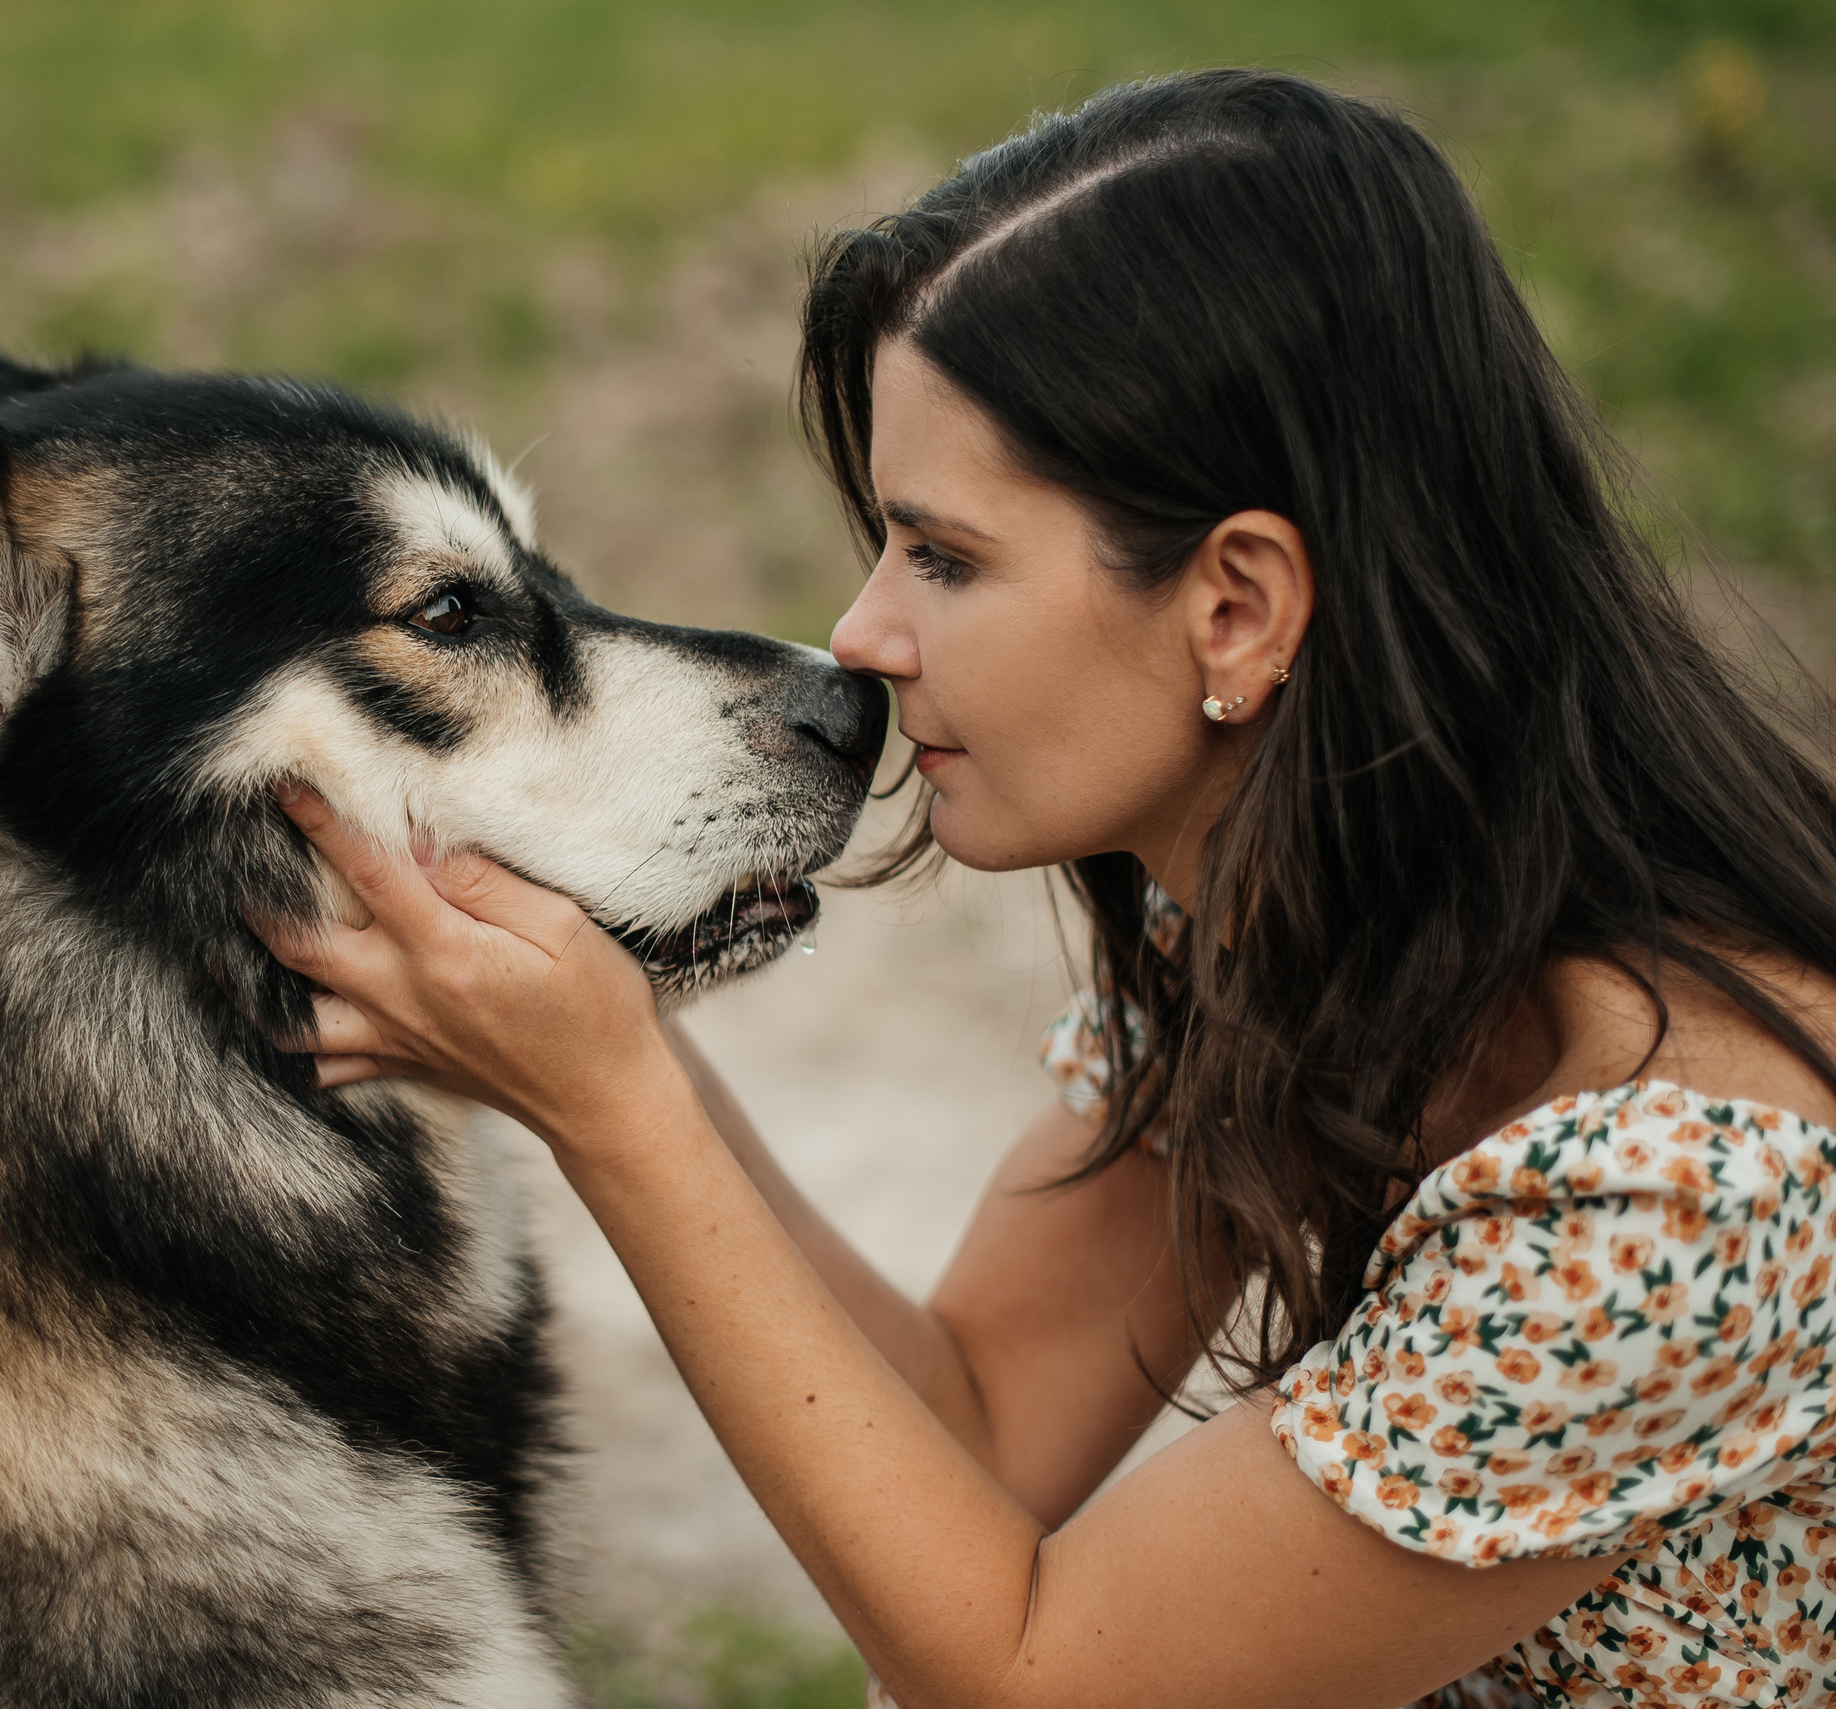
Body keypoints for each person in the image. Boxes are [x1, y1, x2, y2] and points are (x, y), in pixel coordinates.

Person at [257, 68, 1836, 1709]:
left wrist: (610, 1106)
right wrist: (593, 1020)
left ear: (1238, 607)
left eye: (945, 557)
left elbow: (1034, 1679)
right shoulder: (1314, 931)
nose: (860, 634)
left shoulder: (1675, 1204)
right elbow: (985, 1417)